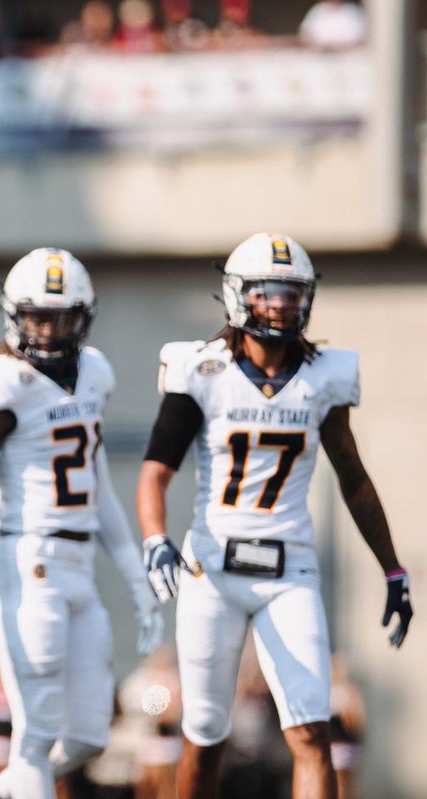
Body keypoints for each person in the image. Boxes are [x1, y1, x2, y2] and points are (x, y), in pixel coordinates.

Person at [136, 232, 413, 799]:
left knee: (313, 733)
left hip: (291, 572)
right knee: (204, 735)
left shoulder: (325, 376)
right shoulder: (201, 369)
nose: (283, 306)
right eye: (269, 293)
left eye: (292, 294)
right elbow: (155, 470)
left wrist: (393, 569)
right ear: (238, 297)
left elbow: (354, 479)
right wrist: (155, 538)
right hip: (211, 570)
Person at [0, 248, 162, 799]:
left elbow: (97, 486)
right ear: (14, 315)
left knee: (87, 737)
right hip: (26, 563)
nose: (50, 331)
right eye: (38, 317)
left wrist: (134, 579)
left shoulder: (95, 372)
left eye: (63, 318)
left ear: (85, 318)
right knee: (36, 738)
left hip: (79, 568)